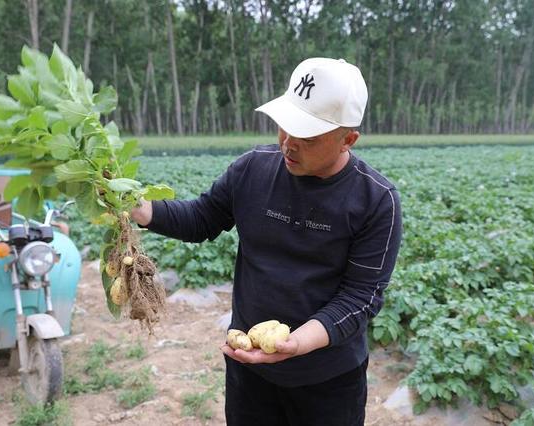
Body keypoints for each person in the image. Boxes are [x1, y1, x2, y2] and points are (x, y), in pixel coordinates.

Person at [131, 57, 402, 426]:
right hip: (249, 372)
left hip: (327, 380)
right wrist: (141, 209)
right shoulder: (252, 169)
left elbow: (361, 297)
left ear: (347, 139)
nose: (288, 144)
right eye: (284, 127)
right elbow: (201, 218)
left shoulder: (375, 199)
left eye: (307, 137)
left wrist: (297, 344)